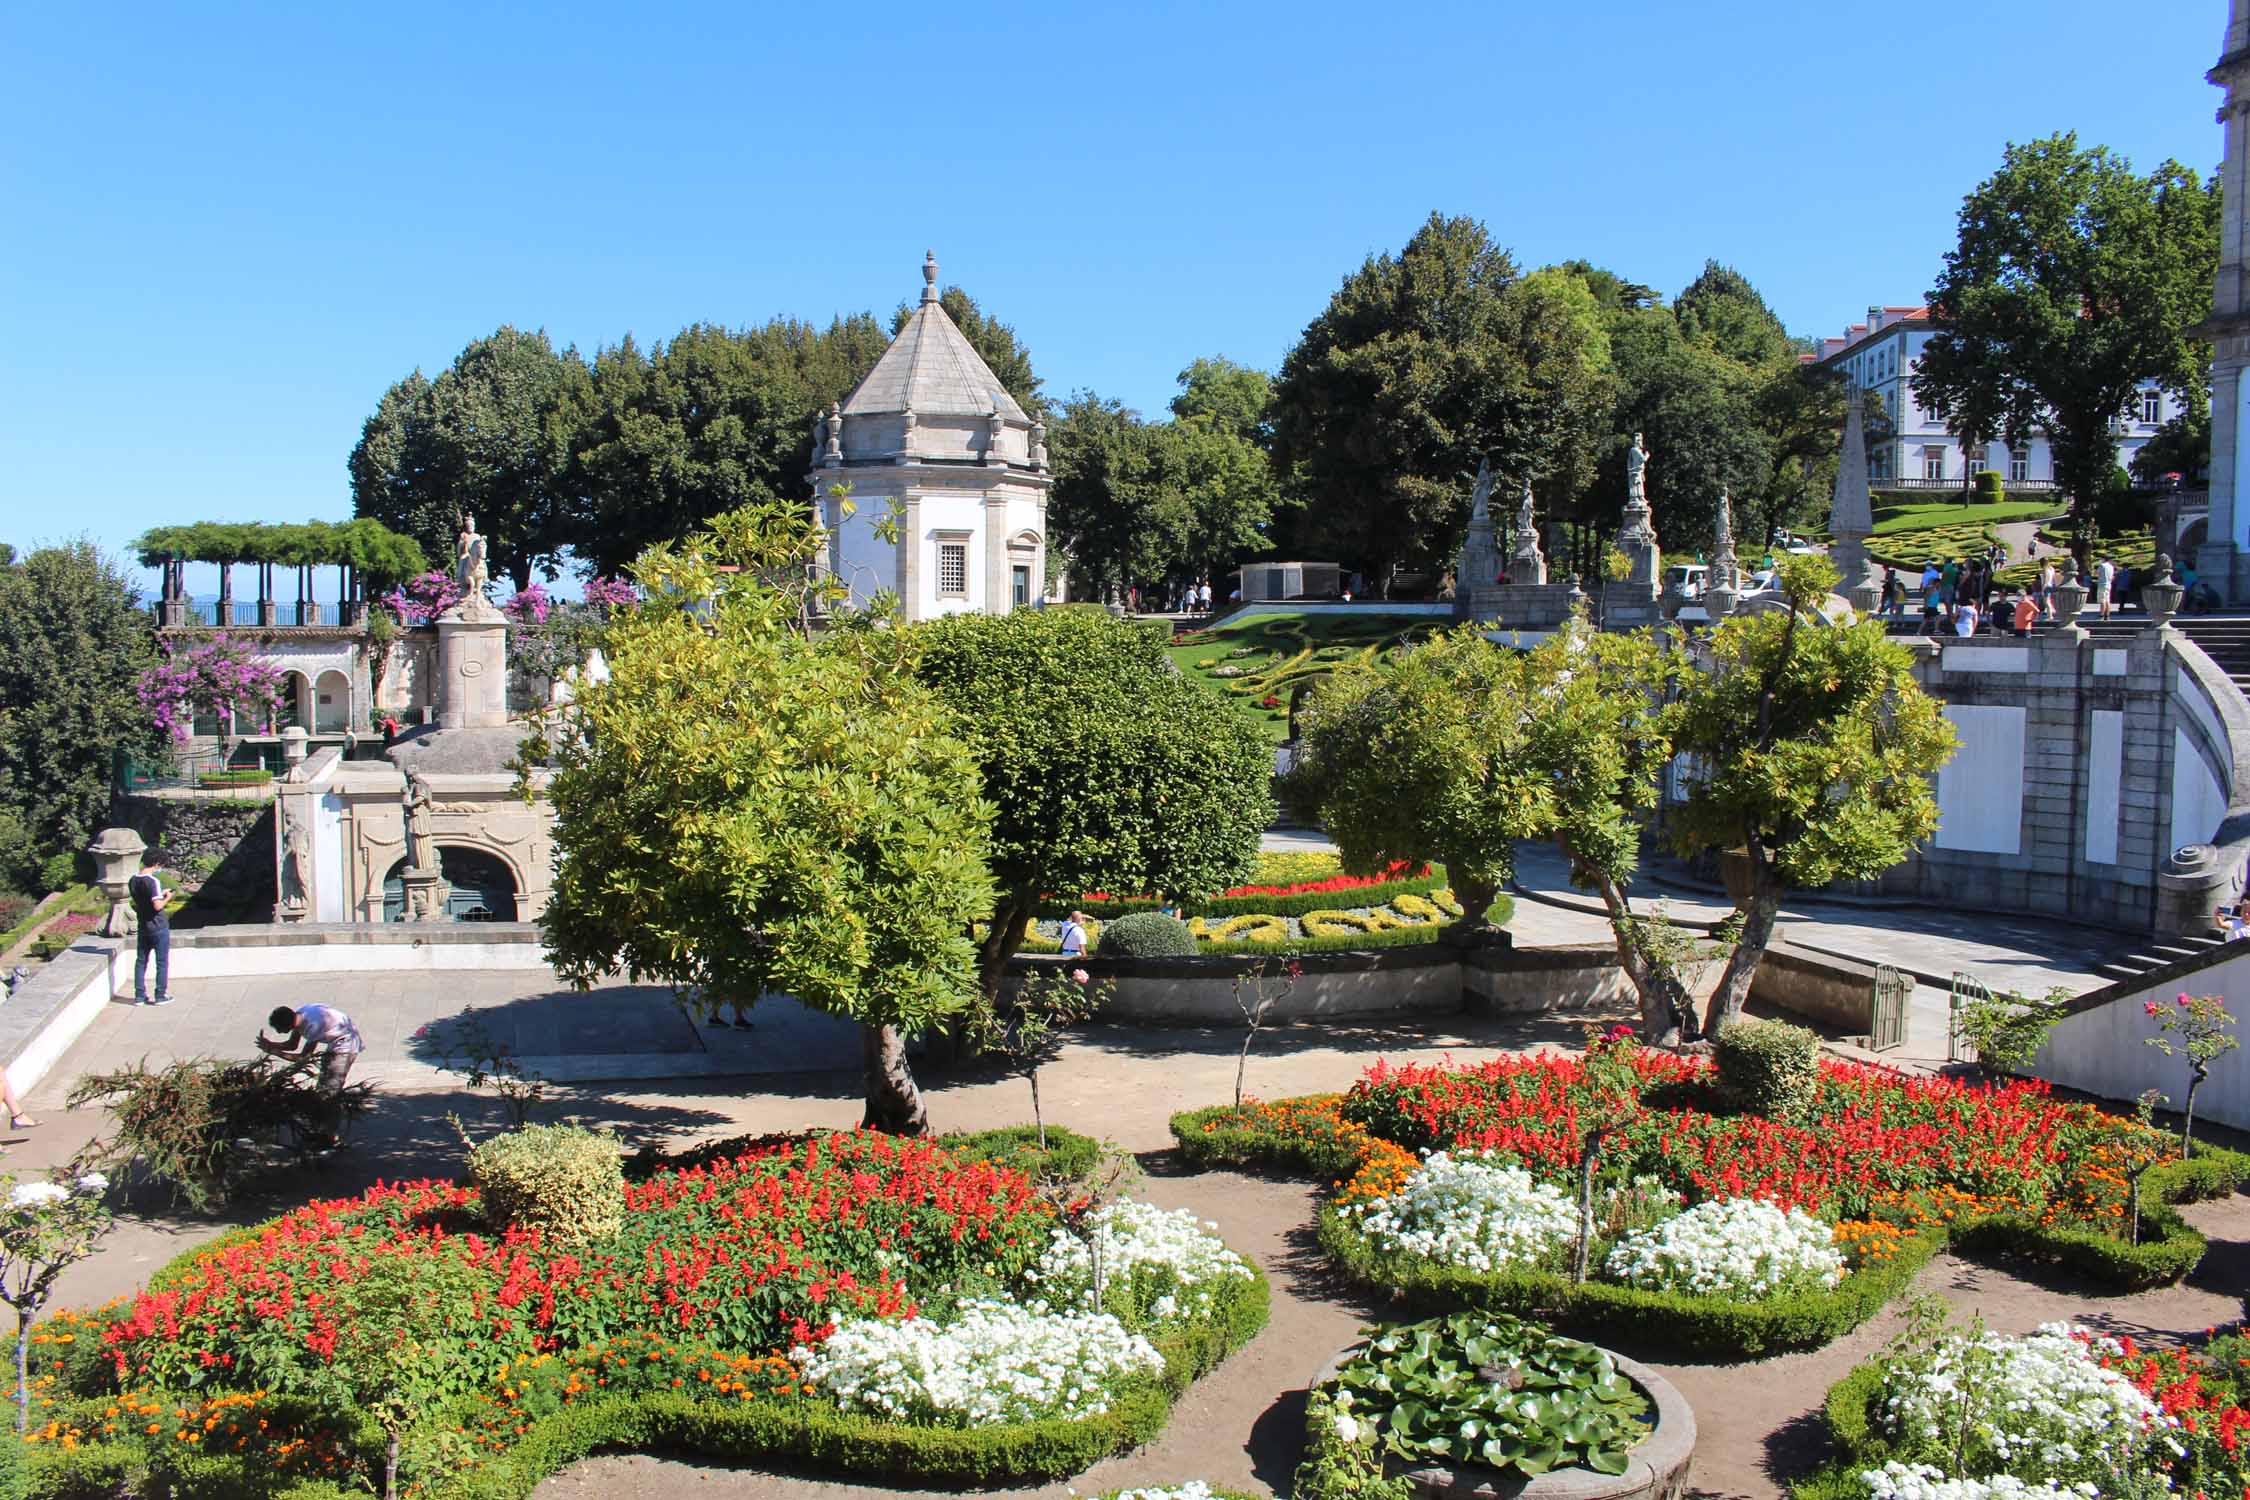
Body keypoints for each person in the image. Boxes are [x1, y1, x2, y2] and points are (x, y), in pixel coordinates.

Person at [259, 1003, 365, 1144]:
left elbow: (303, 1058)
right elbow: (292, 1044)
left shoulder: (312, 1027)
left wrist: (274, 1052)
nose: (279, 1033)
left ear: (287, 1025)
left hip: (346, 1045)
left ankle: (330, 1135)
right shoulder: (299, 1014)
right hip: (335, 1041)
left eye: (280, 1029)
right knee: (323, 1088)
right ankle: (322, 1126)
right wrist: (270, 1044)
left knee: (330, 1093)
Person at [128, 849, 174, 1006]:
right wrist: (166, 897)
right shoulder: (152, 881)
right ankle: (160, 994)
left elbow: (143, 900)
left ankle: (139, 996)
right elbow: (157, 906)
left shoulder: (133, 880)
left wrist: (159, 894)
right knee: (161, 961)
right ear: (156, 863)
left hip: (143, 926)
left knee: (141, 961)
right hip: (158, 926)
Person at [2095, 555, 2116, 619]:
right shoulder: (2111, 567)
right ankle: (2107, 614)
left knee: (2102, 600)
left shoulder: (2102, 565)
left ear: (2104, 559)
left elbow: (2097, 573)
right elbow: (2112, 576)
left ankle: (2101, 614)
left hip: (2102, 584)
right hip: (2108, 584)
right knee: (2107, 599)